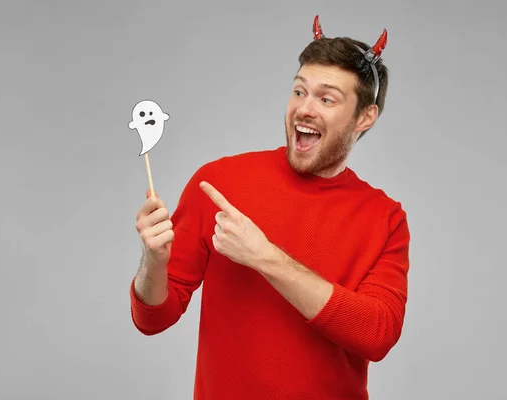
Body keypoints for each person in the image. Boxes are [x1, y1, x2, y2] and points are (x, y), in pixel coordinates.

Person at [130, 15, 410, 400]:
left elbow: (377, 334)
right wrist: (153, 261)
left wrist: (265, 258)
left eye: (326, 99)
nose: (305, 109)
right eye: (299, 92)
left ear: (365, 117)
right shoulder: (217, 184)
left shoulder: (385, 218)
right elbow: (153, 318)